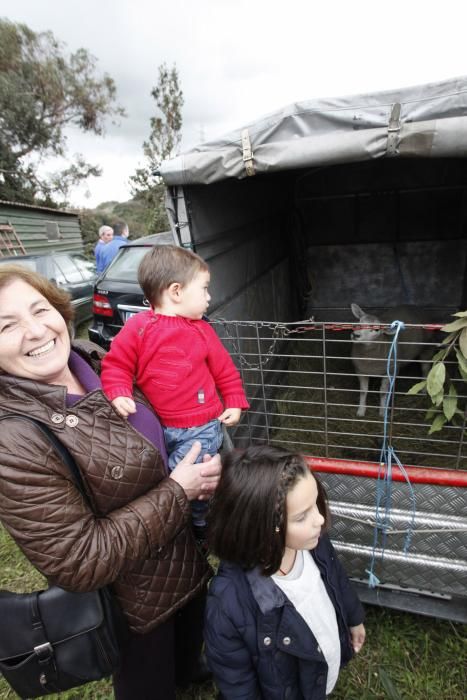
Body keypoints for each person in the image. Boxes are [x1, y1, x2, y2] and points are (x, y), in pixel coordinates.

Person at [0, 264, 222, 700]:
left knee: (188, 644)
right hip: (134, 603)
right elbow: (77, 559)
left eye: (39, 309)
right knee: (148, 682)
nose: (35, 331)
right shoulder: (12, 440)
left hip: (185, 555)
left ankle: (189, 669)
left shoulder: (91, 356)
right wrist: (180, 491)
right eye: (7, 325)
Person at [101, 244, 249, 538]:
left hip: (200, 429)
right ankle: (180, 520)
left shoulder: (202, 331)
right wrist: (118, 391)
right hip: (156, 427)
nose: (209, 297)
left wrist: (233, 400)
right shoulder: (138, 329)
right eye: (205, 289)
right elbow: (116, 364)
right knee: (168, 479)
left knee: (196, 480)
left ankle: (200, 525)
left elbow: (225, 370)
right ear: (176, 292)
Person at [204, 445, 366, 699]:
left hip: (316, 668)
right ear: (261, 525)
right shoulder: (228, 605)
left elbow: (336, 577)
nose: (320, 520)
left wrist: (354, 618)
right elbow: (237, 684)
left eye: (315, 504)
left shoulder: (312, 543)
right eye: (302, 516)